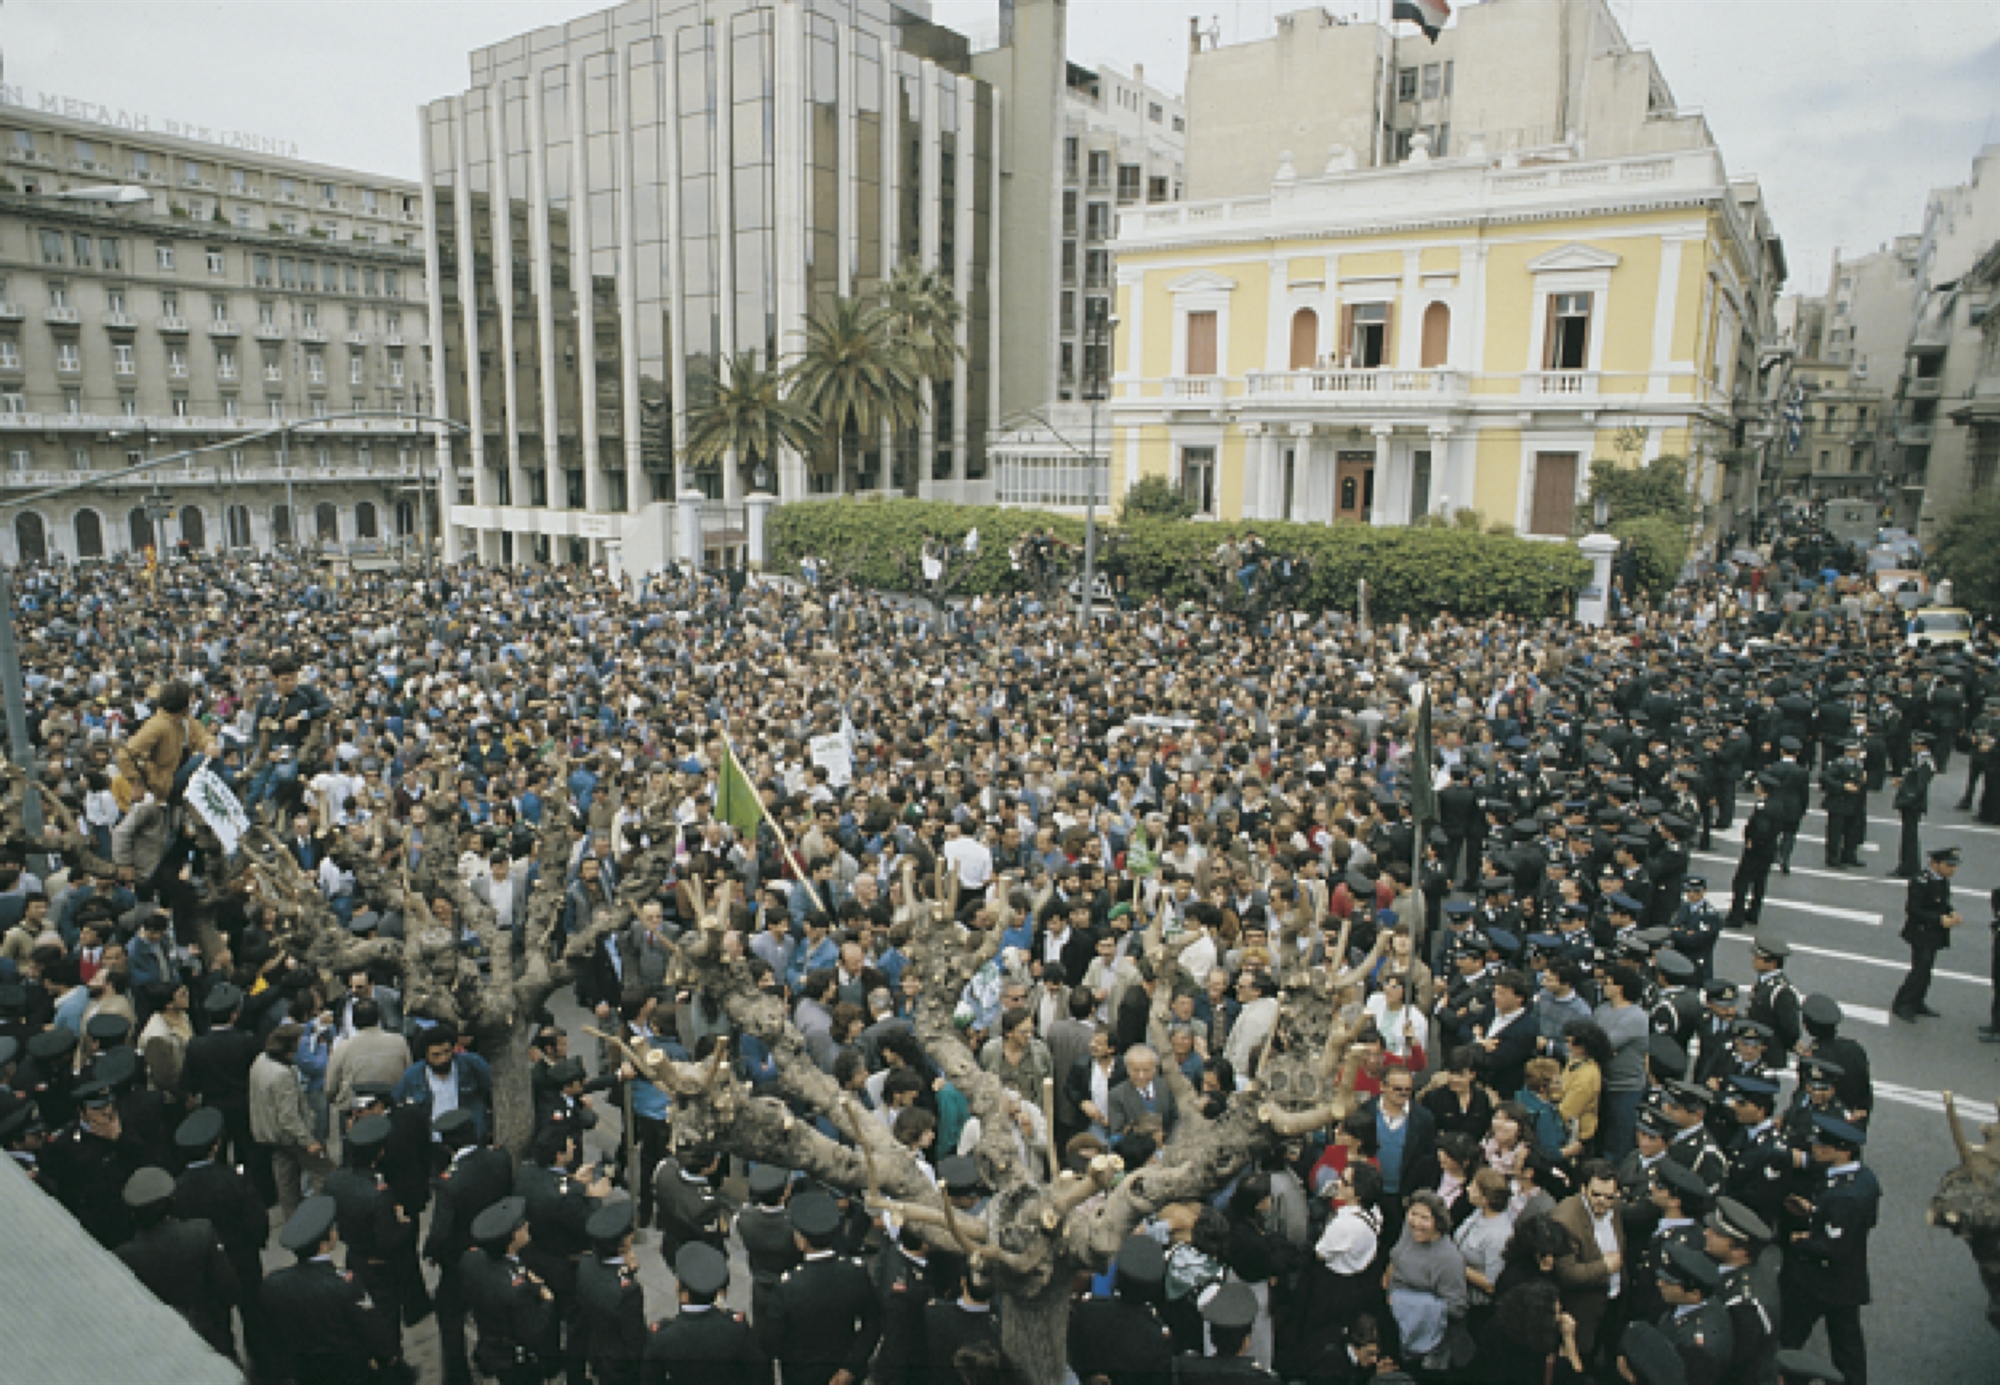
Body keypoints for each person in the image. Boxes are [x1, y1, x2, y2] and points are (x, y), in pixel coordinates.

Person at [259, 1195, 405, 1385]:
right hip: (351, 1374)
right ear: (325, 1242)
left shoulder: (275, 1284)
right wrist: (390, 1357)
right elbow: (372, 1330)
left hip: (307, 1374)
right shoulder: (343, 1284)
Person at [1779, 1115, 1879, 1385]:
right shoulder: (1863, 1178)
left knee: (1788, 1341)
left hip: (1820, 1283)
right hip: (1846, 1284)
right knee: (1848, 1351)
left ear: (1844, 1151)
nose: (1815, 1148)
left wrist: (1801, 1240)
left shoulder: (1845, 1195)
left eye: (1824, 1145)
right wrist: (1817, 1212)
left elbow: (1834, 1247)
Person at [115, 1166, 242, 1359]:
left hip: (166, 1346)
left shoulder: (124, 1256)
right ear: (170, 1202)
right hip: (211, 1331)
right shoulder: (200, 1232)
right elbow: (228, 1287)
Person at [759, 1190, 880, 1385]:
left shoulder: (788, 1287)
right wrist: (851, 1367)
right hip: (844, 1374)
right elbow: (873, 1323)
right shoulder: (855, 1273)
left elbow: (771, 1342)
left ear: (802, 1241)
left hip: (801, 1376)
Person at [641, 1242, 768, 1385]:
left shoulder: (662, 1337)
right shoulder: (737, 1330)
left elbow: (650, 1379)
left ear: (684, 1294)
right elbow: (759, 1375)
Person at [1550, 1160, 1626, 1359]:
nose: (1602, 1201)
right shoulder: (1565, 1219)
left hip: (1614, 1301)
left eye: (1609, 1197)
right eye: (1596, 1194)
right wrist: (1604, 1267)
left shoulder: (1615, 1208)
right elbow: (1566, 1273)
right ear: (1583, 1188)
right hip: (1583, 1308)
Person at [1892, 845, 1962, 1023]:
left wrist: (1951, 912)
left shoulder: (1942, 879)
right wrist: (1939, 920)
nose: (1952, 870)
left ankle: (1918, 1001)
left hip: (1934, 934)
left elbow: (1942, 902)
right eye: (1949, 865)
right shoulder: (1921, 881)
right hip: (1921, 932)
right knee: (1920, 969)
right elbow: (1914, 910)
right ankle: (1903, 1003)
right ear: (1935, 863)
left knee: (1927, 969)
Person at [1887, 733, 1936, 880]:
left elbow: (1919, 786)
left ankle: (1909, 866)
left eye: (1916, 744)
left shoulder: (1925, 763)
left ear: (1923, 745)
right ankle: (1907, 864)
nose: (1913, 746)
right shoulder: (1919, 760)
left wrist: (1907, 798)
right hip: (1911, 802)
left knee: (1910, 835)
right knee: (1908, 834)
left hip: (1913, 804)